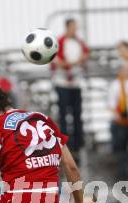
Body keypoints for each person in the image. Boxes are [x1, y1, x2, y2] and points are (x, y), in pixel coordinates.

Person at [51, 18, 89, 163]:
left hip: (75, 84)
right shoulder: (60, 41)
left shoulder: (78, 42)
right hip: (62, 84)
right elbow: (58, 61)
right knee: (64, 114)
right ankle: (65, 144)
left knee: (77, 114)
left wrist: (75, 63)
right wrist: (72, 63)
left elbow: (85, 54)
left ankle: (78, 144)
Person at [108, 41, 128, 181]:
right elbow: (111, 103)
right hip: (121, 120)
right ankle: (121, 174)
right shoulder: (116, 85)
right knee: (120, 148)